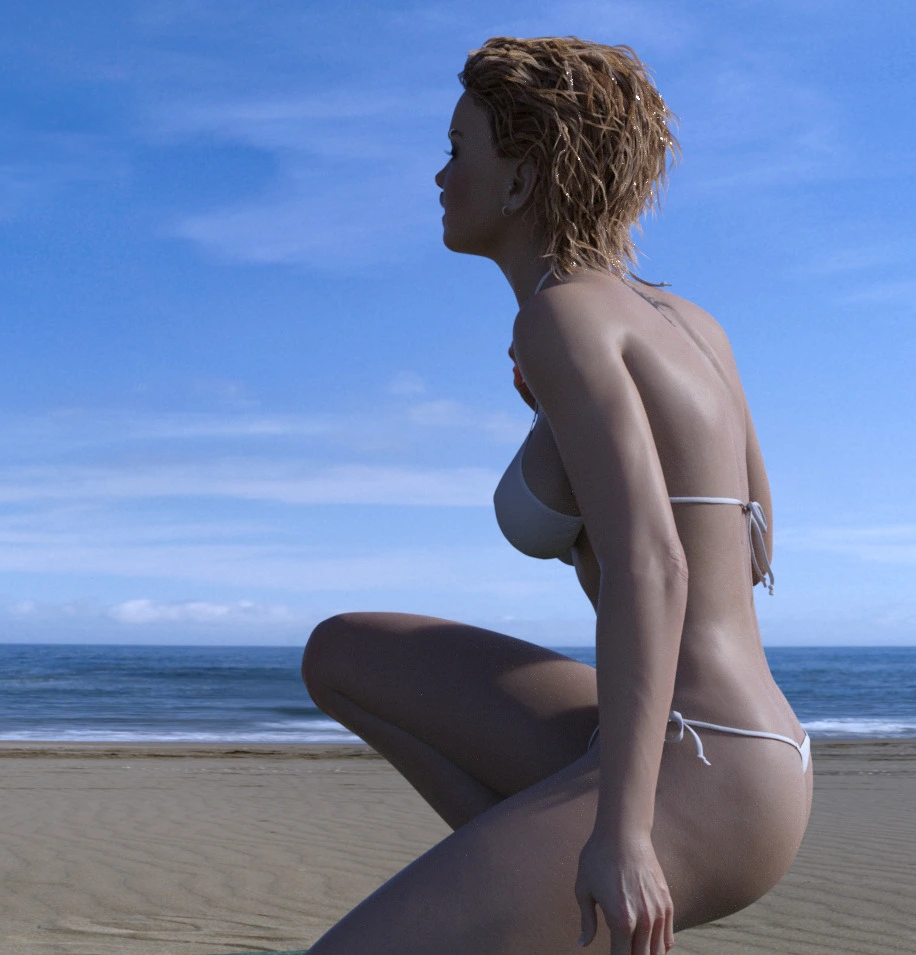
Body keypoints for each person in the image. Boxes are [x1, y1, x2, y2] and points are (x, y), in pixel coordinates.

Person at [298, 38, 808, 954]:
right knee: (339, 653)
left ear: (523, 177)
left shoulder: (562, 318)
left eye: (459, 148)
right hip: (756, 742)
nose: (440, 175)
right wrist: (559, 423)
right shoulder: (686, 322)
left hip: (704, 762)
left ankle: (570, 876)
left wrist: (623, 834)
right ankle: (525, 900)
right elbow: (757, 543)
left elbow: (654, 564)